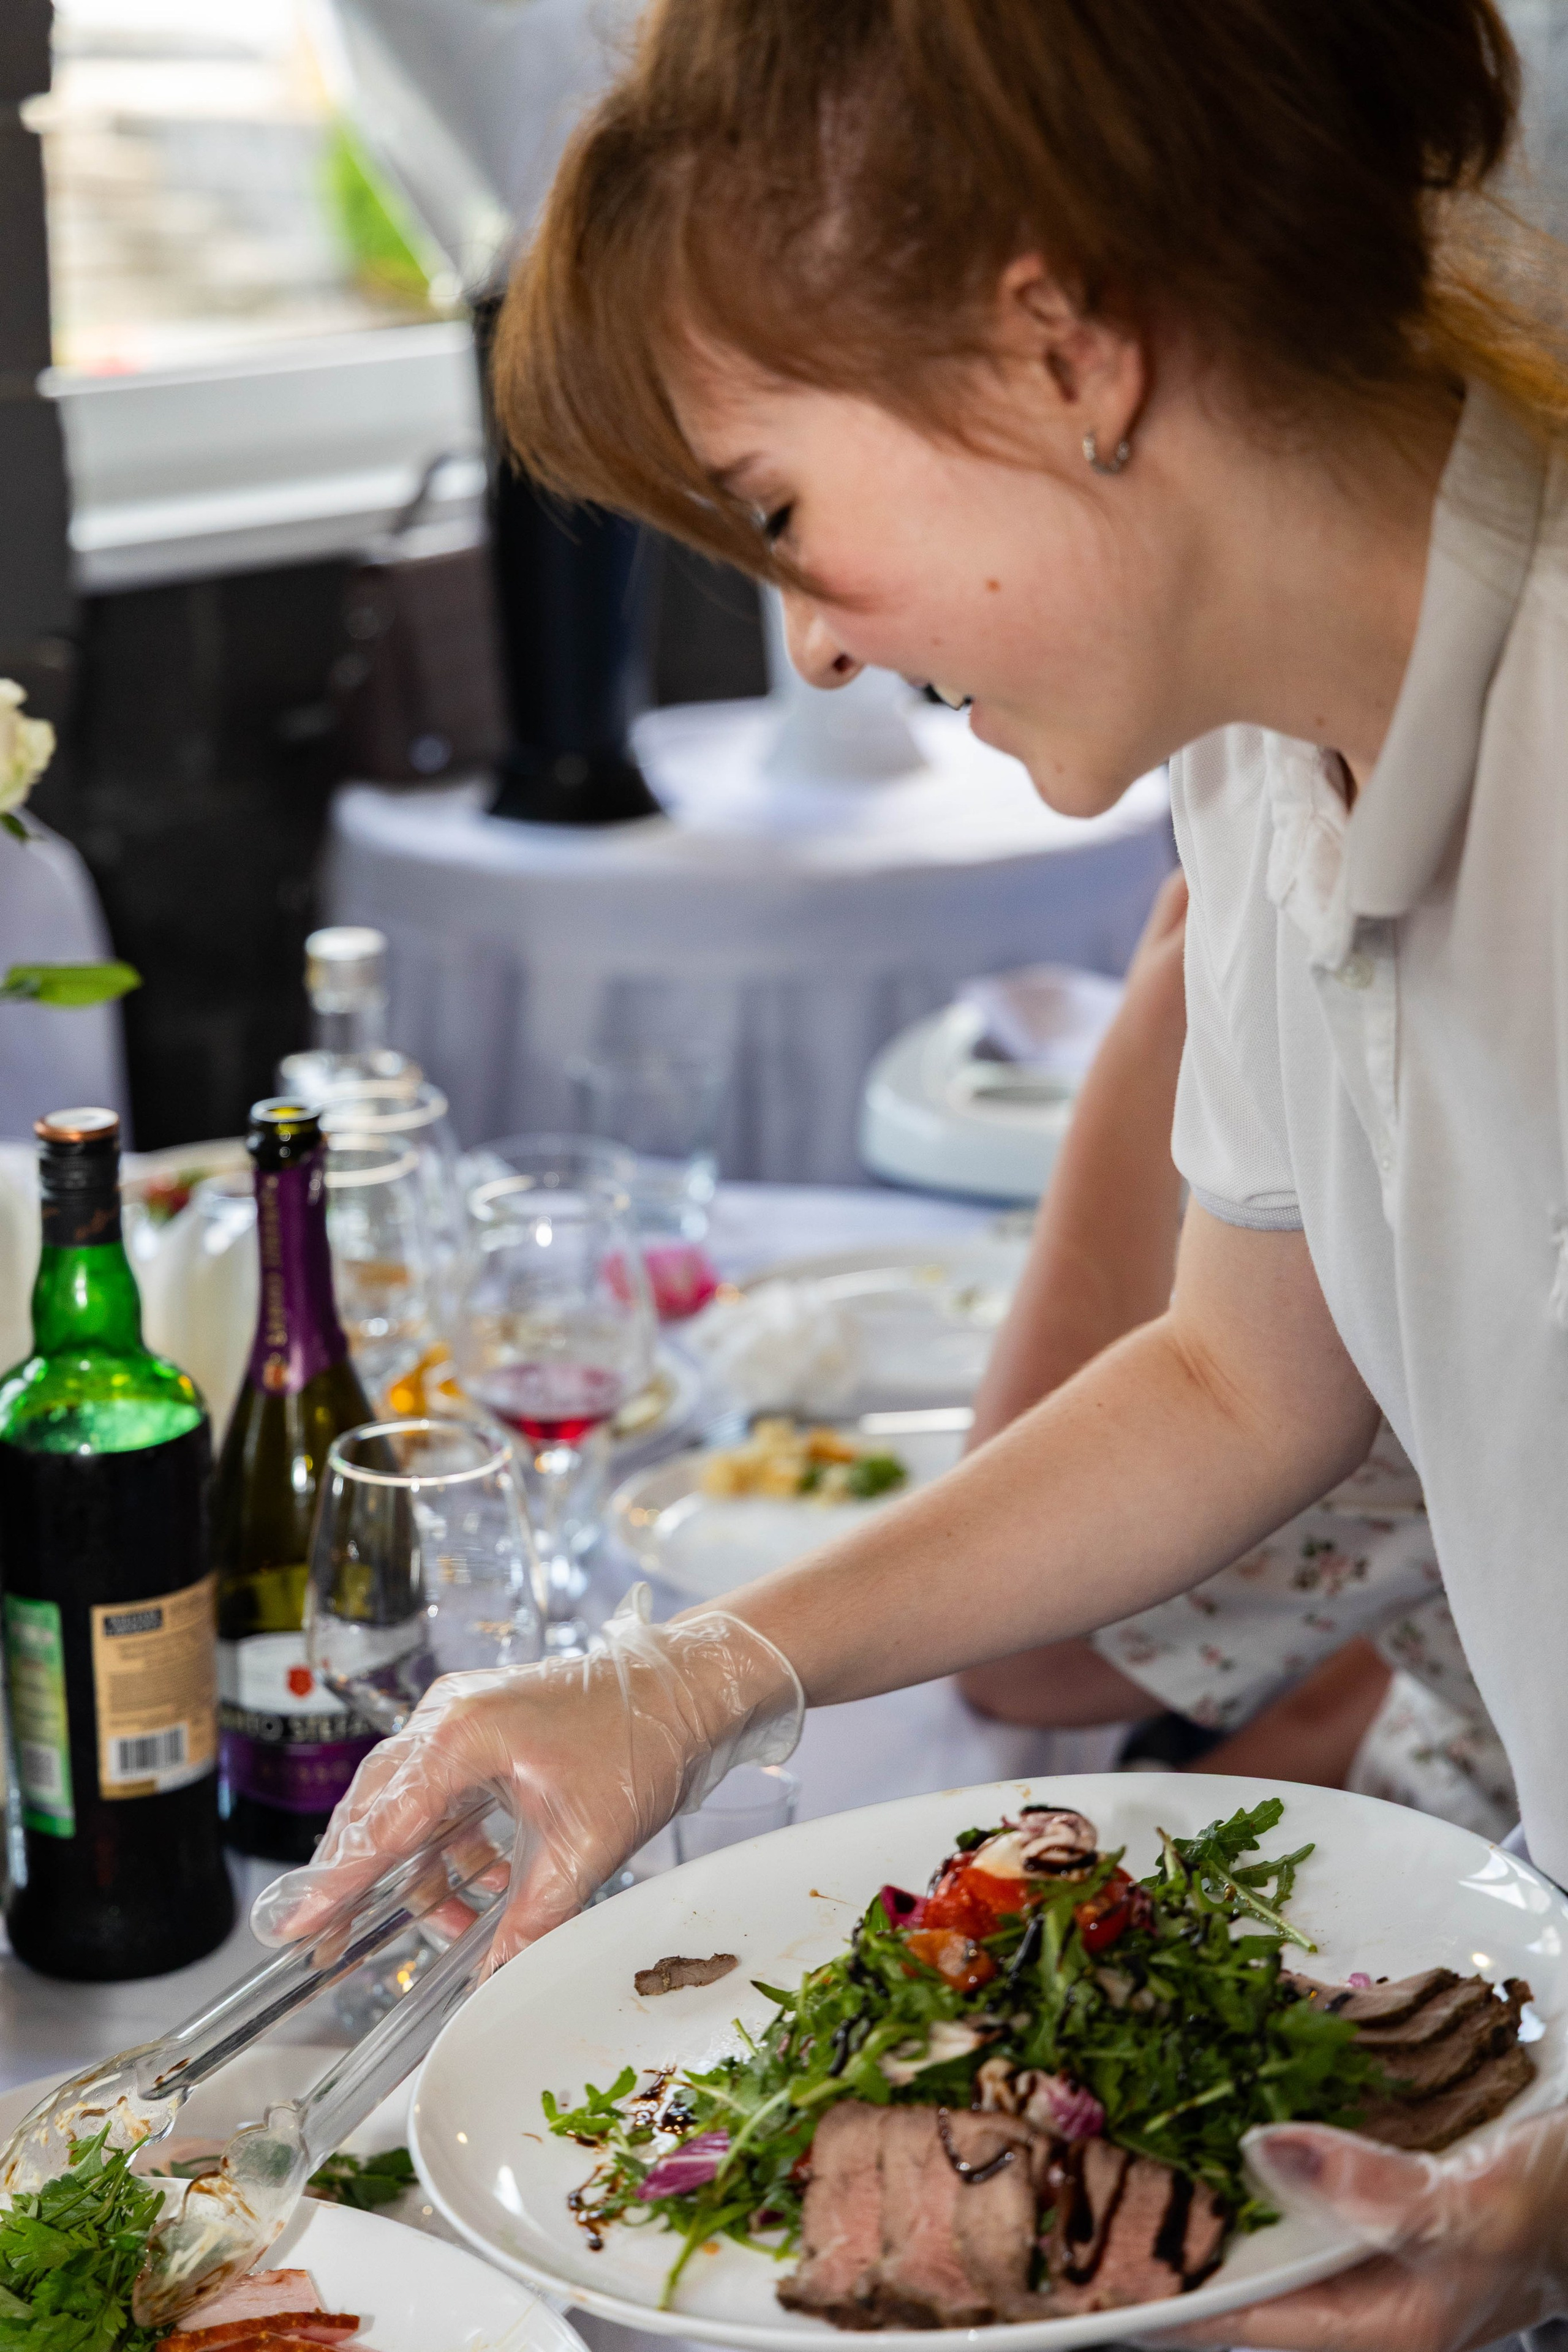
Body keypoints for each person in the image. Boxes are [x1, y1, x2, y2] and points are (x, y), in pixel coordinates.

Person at [255, 5, 1568, 2343]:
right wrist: (675, 1687)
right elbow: (1235, 1386)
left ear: (1059, 345)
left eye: (776, 513)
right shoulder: (1269, 767)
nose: (812, 647)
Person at [956, 868, 1517, 1842]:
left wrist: (1156, 1031)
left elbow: (1016, 1652)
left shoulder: (1417, 996)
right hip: (1436, 1742)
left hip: (1497, 1869)